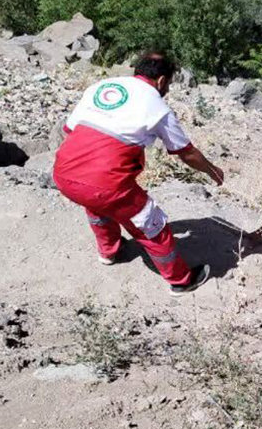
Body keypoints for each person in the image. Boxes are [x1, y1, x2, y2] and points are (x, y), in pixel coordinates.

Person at [52, 52, 223, 294]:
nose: (168, 89)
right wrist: (213, 171)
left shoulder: (101, 87)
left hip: (64, 171)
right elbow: (186, 152)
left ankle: (109, 252)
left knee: (98, 206)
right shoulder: (157, 105)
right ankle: (181, 280)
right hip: (106, 182)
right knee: (151, 225)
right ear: (162, 80)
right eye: (169, 84)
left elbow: (69, 129)